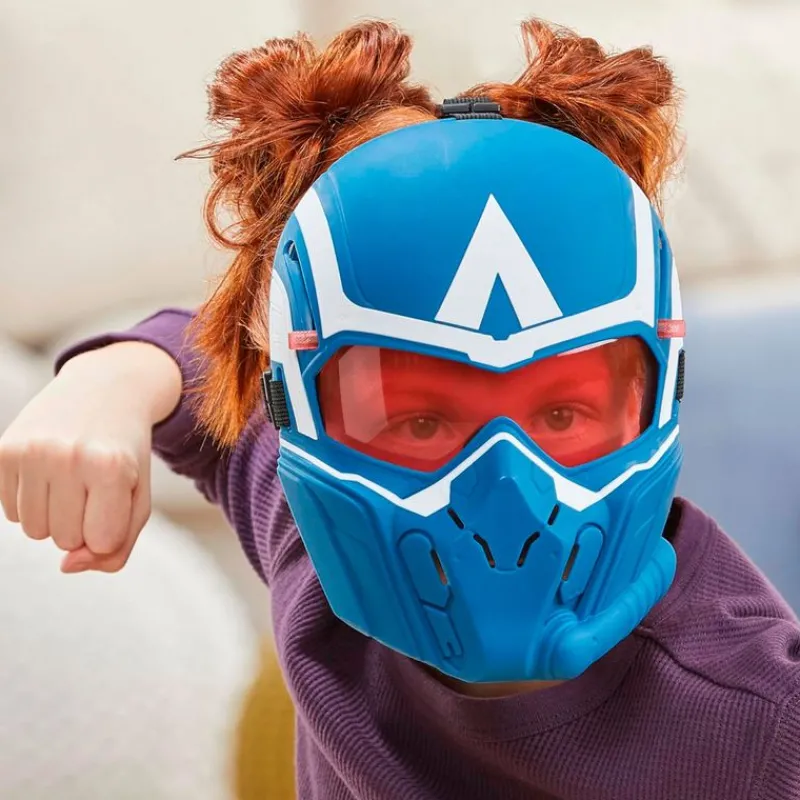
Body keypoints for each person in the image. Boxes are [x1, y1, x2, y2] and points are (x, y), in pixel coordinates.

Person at [1, 18, 799, 799]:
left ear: (658, 393)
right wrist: (104, 384)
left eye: (560, 416)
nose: (505, 499)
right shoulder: (310, 531)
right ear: (294, 409)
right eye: (423, 422)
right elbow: (198, 360)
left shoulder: (762, 721)